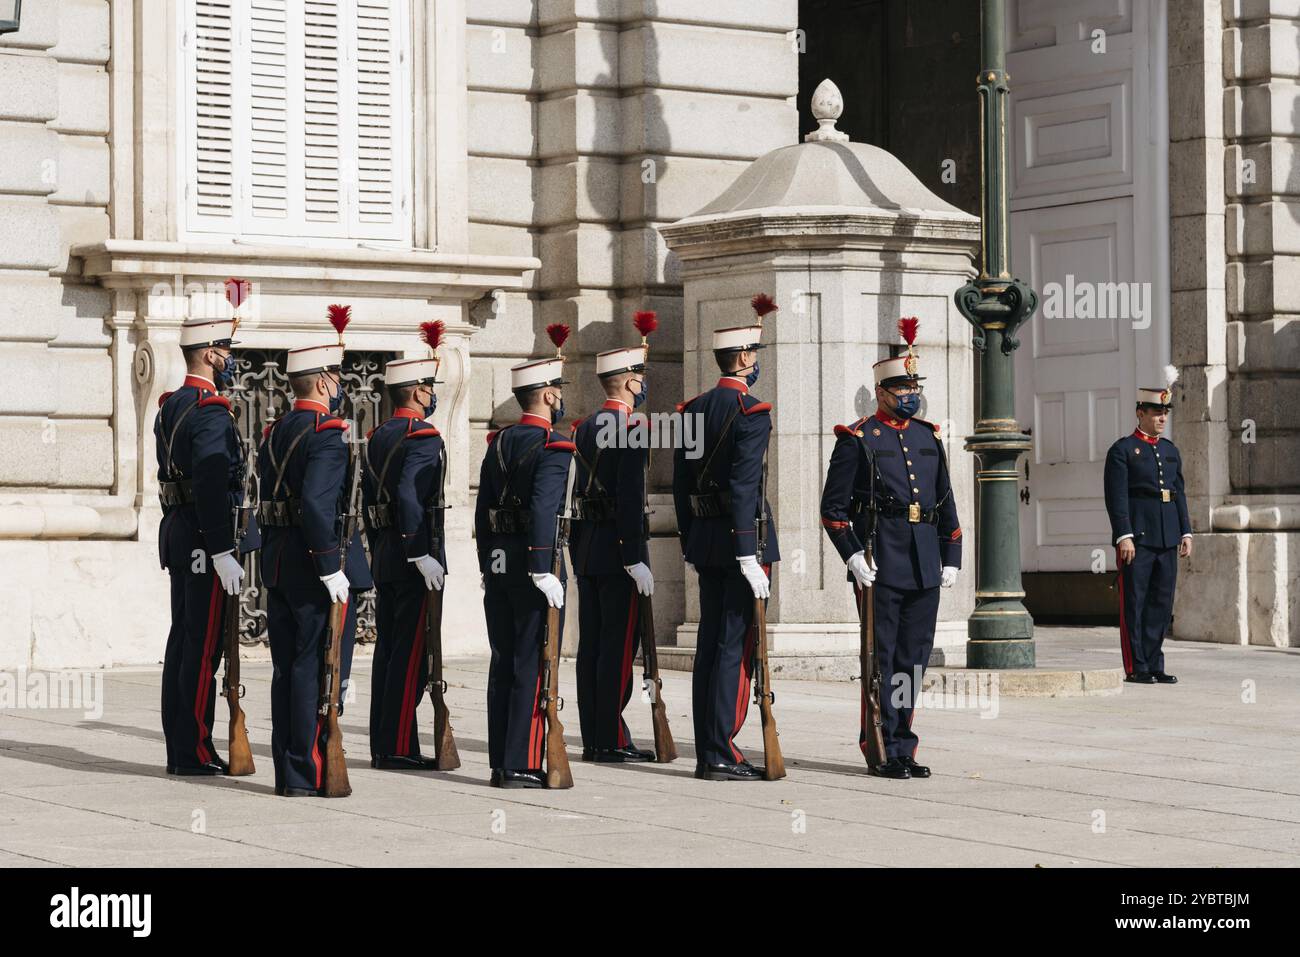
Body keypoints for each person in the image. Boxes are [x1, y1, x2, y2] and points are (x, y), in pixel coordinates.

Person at [819, 318, 961, 779]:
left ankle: (903, 745)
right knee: (881, 657)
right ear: (882, 391)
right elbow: (833, 508)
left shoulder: (927, 436)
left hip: (925, 561)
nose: (909, 394)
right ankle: (878, 744)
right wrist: (853, 554)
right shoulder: (858, 439)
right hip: (881, 561)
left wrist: (952, 555)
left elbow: (945, 499)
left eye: (913, 386)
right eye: (901, 388)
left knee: (913, 659)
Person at [256, 306, 372, 797]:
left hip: (279, 559)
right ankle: (307, 771)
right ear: (324, 383)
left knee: (288, 669)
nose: (340, 385)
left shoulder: (275, 432)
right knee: (310, 667)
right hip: (310, 563)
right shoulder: (325, 435)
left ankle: (290, 769)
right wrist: (330, 566)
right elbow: (316, 504)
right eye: (337, 377)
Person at [672, 294, 780, 782]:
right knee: (733, 648)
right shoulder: (751, 411)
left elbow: (680, 485)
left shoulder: (692, 409)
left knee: (712, 645)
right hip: (741, 545)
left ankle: (709, 748)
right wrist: (747, 554)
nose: (757, 364)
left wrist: (692, 539)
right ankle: (719, 751)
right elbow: (743, 484)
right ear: (741, 359)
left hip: (706, 541)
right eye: (754, 356)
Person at [154, 314, 260, 775]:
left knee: (183, 640)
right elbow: (213, 483)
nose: (230, 360)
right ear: (212, 354)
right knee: (201, 646)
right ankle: (194, 750)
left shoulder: (172, 405)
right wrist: (221, 550)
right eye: (227, 351)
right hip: (205, 536)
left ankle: (180, 747)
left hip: (180, 530)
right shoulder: (211, 410)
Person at [475, 324, 576, 788]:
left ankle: (502, 759)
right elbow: (542, 508)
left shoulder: (499, 446)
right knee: (531, 664)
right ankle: (520, 762)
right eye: (558, 389)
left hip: (498, 565)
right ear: (549, 397)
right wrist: (542, 568)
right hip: (534, 568)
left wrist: (486, 565)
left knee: (504, 660)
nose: (561, 397)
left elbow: (483, 512)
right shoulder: (552, 445)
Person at [569, 312, 658, 763]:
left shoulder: (583, 428)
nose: (644, 384)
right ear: (626, 382)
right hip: (619, 553)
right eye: (640, 376)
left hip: (588, 553)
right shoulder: (632, 429)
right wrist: (635, 557)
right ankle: (610, 738)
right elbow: (627, 499)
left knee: (592, 648)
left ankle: (595, 735)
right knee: (619, 650)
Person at [363, 321, 448, 769]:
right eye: (430, 387)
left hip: (387, 556)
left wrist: (382, 547)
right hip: (415, 558)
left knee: (390, 651)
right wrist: (420, 552)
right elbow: (410, 496)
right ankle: (397, 746)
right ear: (416, 392)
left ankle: (385, 742)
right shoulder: (421, 436)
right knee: (411, 656)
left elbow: (368, 500)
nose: (433, 395)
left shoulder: (378, 436)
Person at [1103, 368, 1192, 684]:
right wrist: (1123, 535)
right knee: (1136, 603)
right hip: (1138, 539)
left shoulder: (1169, 450)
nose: (1161, 418)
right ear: (1140, 412)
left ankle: (1155, 663)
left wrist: (1186, 530)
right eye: (1155, 412)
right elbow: (1116, 498)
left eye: (1164, 412)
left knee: (1160, 604)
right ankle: (1136, 666)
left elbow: (1178, 492)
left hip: (1167, 537)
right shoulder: (1123, 450)